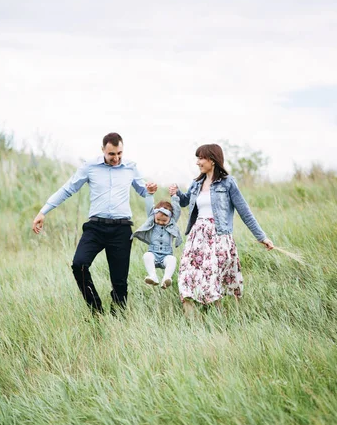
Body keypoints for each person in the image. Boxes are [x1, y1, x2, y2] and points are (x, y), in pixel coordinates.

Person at [32, 132, 157, 315]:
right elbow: (68, 188)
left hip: (122, 229)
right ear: (103, 150)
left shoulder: (131, 167)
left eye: (119, 153)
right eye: (111, 154)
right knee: (79, 265)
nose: (116, 158)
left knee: (119, 282)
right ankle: (96, 311)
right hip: (96, 227)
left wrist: (150, 190)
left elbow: (143, 191)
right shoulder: (90, 167)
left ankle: (118, 320)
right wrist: (43, 211)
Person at [169, 144, 273, 315]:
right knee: (186, 275)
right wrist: (177, 193)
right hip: (197, 236)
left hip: (218, 237)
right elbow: (186, 201)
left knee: (212, 279)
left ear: (212, 160)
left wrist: (262, 237)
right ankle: (192, 322)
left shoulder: (228, 183)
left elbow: (245, 212)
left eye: (201, 158)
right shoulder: (197, 183)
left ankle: (218, 318)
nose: (198, 162)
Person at [131, 194, 182, 289]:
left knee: (172, 259)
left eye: (164, 220)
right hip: (153, 253)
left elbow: (177, 210)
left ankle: (166, 279)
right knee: (147, 255)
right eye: (158, 219)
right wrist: (149, 194)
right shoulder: (152, 221)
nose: (160, 222)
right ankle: (153, 276)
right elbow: (149, 206)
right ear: (154, 216)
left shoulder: (172, 223)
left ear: (170, 218)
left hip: (166, 255)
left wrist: (174, 196)